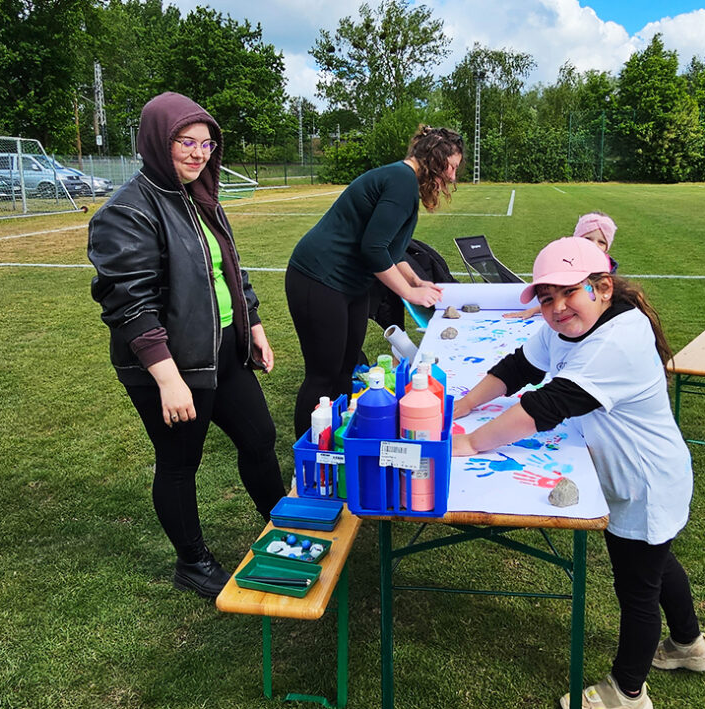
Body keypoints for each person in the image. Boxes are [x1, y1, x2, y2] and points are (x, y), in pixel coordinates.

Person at [452, 237, 705, 709]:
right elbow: (519, 367)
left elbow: (545, 406)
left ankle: (627, 692)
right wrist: (464, 404)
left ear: (601, 287)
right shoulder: (568, 325)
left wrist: (472, 441)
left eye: (568, 293)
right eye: (546, 296)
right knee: (656, 564)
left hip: (645, 482)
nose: (556, 307)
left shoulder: (618, 339)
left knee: (637, 587)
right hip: (631, 476)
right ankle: (690, 646)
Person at [87, 92, 286, 600]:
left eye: (206, 143)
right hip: (169, 365)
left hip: (222, 347)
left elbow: (229, 269)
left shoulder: (202, 197)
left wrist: (254, 323)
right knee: (180, 461)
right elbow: (128, 305)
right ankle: (193, 562)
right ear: (157, 140)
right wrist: (169, 379)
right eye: (185, 142)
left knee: (260, 437)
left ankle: (283, 524)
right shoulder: (126, 211)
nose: (199, 153)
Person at [285, 125, 463, 437]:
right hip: (318, 278)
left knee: (346, 368)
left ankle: (339, 442)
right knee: (322, 375)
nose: (452, 177)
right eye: (451, 167)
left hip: (350, 285)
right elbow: (374, 249)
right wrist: (409, 292)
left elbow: (392, 250)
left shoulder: (405, 183)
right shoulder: (401, 181)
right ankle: (310, 459)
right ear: (435, 160)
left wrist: (416, 281)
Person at [506, 211, 619, 319]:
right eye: (588, 239)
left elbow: (591, 295)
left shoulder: (604, 271)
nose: (594, 245)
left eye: (601, 242)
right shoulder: (566, 264)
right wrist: (535, 309)